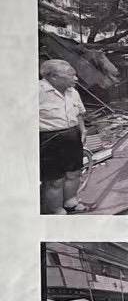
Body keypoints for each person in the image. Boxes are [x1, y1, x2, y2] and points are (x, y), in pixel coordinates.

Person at [38, 59, 91, 214]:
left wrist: (83, 130)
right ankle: (56, 211)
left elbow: (79, 113)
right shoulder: (37, 91)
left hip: (72, 135)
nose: (76, 78)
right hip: (48, 139)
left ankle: (70, 202)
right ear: (53, 76)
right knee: (54, 180)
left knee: (74, 172)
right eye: (70, 75)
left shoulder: (72, 92)